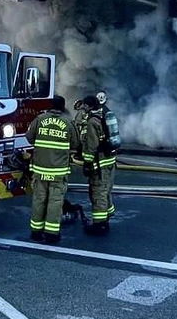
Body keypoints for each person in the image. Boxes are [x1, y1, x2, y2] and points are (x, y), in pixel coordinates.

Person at [26, 95, 79, 243]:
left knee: (39, 200)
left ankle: (36, 232)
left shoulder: (40, 119)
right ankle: (51, 234)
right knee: (55, 202)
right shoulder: (68, 122)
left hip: (40, 170)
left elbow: (29, 137)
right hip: (58, 172)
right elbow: (75, 144)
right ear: (62, 107)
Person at [75, 93, 118, 234]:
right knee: (106, 190)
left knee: (98, 192)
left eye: (85, 106)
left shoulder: (93, 121)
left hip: (99, 163)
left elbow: (91, 146)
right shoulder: (104, 115)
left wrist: (87, 162)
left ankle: (99, 225)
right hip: (109, 160)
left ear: (89, 106)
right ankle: (106, 218)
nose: (83, 108)